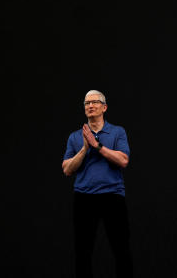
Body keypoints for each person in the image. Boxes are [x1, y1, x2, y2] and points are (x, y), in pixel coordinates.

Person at [62, 90, 132, 278]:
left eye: (94, 102)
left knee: (122, 251)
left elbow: (123, 160)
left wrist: (97, 146)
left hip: (112, 196)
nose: (90, 106)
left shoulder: (118, 132)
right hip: (84, 198)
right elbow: (67, 169)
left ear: (104, 107)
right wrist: (85, 148)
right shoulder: (75, 137)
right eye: (86, 103)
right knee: (83, 253)